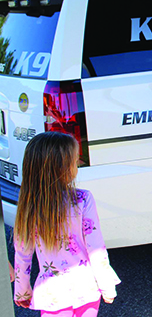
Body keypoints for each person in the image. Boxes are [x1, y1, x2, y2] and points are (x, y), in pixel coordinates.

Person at [13, 132, 120, 317]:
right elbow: (96, 248)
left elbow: (23, 254)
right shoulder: (82, 199)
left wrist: (22, 290)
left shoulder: (29, 206)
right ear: (62, 167)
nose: (77, 164)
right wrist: (107, 284)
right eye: (74, 160)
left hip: (51, 293)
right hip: (86, 288)